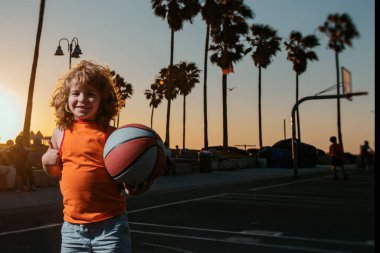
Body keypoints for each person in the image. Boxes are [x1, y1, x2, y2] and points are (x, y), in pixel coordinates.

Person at [41, 60, 147, 252]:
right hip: (72, 229)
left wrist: (132, 184)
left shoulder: (113, 136)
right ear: (66, 98)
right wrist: (46, 162)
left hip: (110, 227)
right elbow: (54, 172)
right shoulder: (60, 132)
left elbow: (124, 176)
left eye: (90, 94)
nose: (82, 99)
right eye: (76, 93)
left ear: (102, 101)